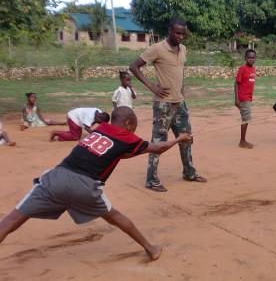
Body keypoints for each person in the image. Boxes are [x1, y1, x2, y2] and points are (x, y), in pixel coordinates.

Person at [0, 106, 193, 261]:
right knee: (115, 216)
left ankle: (150, 249)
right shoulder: (127, 136)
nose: (134, 130)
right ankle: (151, 249)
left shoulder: (100, 129)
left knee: (11, 220)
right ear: (127, 123)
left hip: (56, 177)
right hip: (85, 186)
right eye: (133, 126)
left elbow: (113, 154)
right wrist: (180, 138)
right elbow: (158, 148)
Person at [129, 18, 206, 192]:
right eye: (177, 33)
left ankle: (189, 172)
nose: (180, 36)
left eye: (183, 34)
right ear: (169, 30)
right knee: (158, 143)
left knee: (186, 139)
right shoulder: (157, 48)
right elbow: (134, 66)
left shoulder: (183, 49)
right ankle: (151, 180)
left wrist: (182, 91)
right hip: (163, 106)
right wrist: (152, 87)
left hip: (180, 103)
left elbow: (180, 72)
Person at [234, 49, 256, 149]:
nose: (251, 59)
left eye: (253, 57)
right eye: (249, 57)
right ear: (245, 58)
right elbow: (236, 84)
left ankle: (243, 140)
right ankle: (242, 141)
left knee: (246, 119)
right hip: (243, 97)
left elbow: (250, 82)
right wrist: (237, 99)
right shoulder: (243, 68)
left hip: (248, 97)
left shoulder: (253, 69)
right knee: (246, 119)